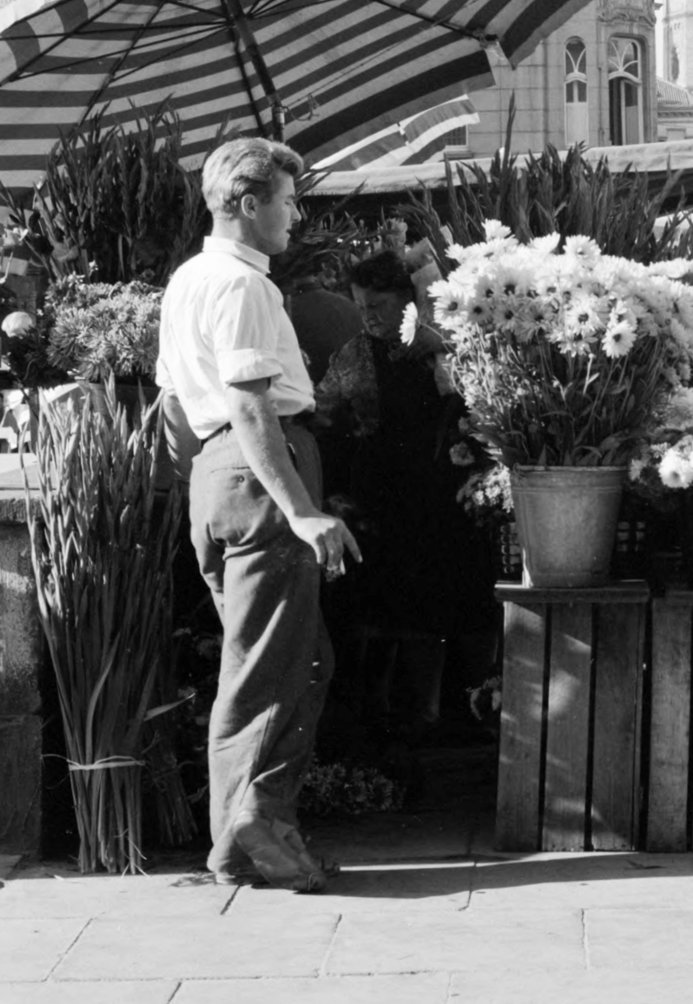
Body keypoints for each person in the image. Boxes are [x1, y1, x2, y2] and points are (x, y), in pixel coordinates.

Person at [156, 138, 361, 892]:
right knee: (283, 666)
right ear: (248, 203)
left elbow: (175, 408)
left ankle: (240, 847)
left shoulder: (186, 280)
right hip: (258, 469)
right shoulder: (243, 285)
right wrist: (300, 510)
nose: (294, 214)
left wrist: (207, 490)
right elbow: (248, 404)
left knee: (263, 663)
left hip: (216, 477)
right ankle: (257, 822)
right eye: (287, 200)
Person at [315, 250, 498, 741]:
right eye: (360, 305)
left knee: (470, 600)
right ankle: (424, 715)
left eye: (378, 304)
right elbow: (325, 411)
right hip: (390, 495)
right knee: (411, 609)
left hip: (453, 492)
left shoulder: (450, 347)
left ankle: (483, 708)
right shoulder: (354, 354)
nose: (368, 315)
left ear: (410, 300)